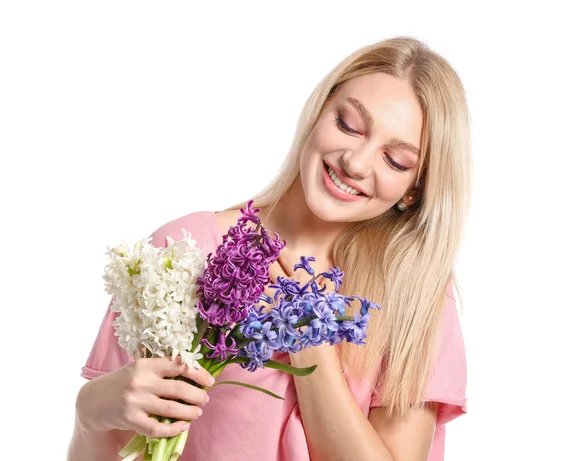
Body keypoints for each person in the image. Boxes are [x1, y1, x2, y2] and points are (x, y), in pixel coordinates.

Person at [68, 35, 472, 461]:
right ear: (318, 111)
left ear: (414, 190)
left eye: (396, 161)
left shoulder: (416, 295)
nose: (356, 163)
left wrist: (307, 331)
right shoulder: (184, 252)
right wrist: (88, 411)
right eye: (349, 125)